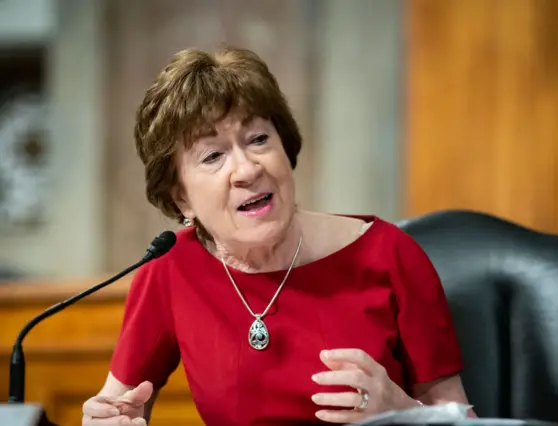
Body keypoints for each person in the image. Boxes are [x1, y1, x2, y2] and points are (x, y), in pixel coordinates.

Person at [81, 46, 474, 426]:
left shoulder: (390, 254)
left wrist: (403, 412)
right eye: (213, 155)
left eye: (258, 139)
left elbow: (463, 419)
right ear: (181, 197)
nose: (247, 170)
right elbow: (120, 406)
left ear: (285, 148)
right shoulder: (170, 271)